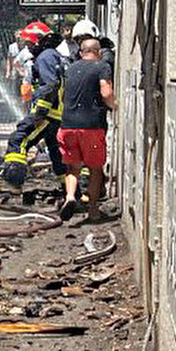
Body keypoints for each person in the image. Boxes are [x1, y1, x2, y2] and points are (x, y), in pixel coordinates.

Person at [58, 38, 117, 222]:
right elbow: (106, 93)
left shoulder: (70, 69)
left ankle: (69, 197)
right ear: (98, 52)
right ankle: (93, 210)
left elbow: (63, 96)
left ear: (81, 52)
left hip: (67, 125)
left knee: (72, 167)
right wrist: (116, 106)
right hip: (91, 126)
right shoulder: (101, 66)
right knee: (95, 169)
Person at [1, 29, 67, 186]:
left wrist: (40, 113)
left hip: (48, 114)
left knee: (18, 139)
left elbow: (50, 85)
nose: (27, 49)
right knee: (57, 154)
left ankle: (14, 183)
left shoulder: (45, 57)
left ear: (38, 41)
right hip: (56, 115)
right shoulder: (54, 56)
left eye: (29, 44)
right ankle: (72, 191)